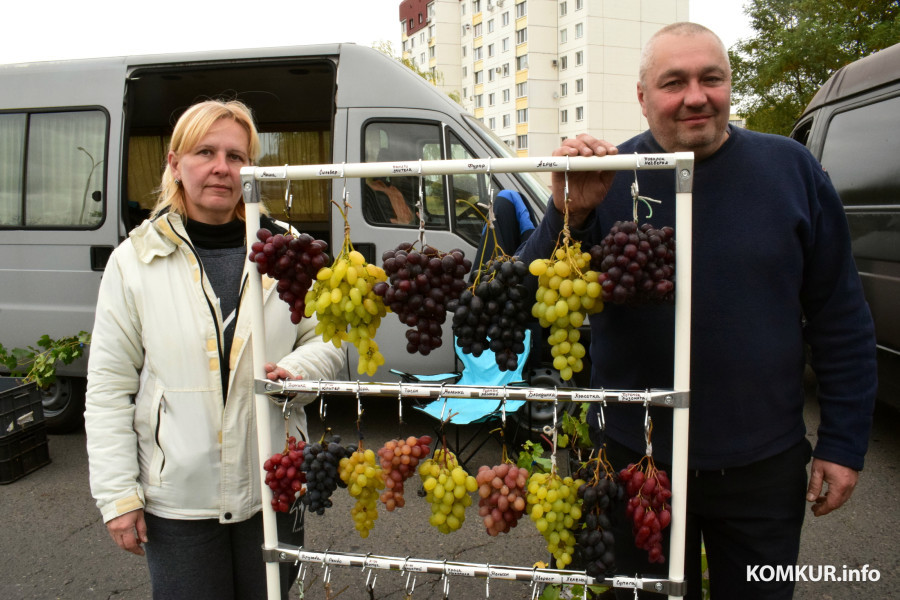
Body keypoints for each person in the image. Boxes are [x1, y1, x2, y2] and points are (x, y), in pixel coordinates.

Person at [517, 22, 877, 600]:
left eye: (711, 78)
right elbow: (533, 302)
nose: (695, 95)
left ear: (730, 85)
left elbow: (841, 316)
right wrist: (571, 216)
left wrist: (842, 442)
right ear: (642, 97)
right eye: (673, 82)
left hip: (763, 468)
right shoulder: (605, 176)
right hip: (636, 462)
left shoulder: (792, 171)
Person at [84, 99, 345, 600]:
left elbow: (328, 338)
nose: (222, 167)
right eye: (205, 151)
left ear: (251, 169)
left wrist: (295, 369)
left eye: (236, 155)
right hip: (179, 501)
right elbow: (109, 387)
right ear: (175, 163)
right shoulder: (136, 260)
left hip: (273, 484)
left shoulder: (288, 252)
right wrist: (118, 496)